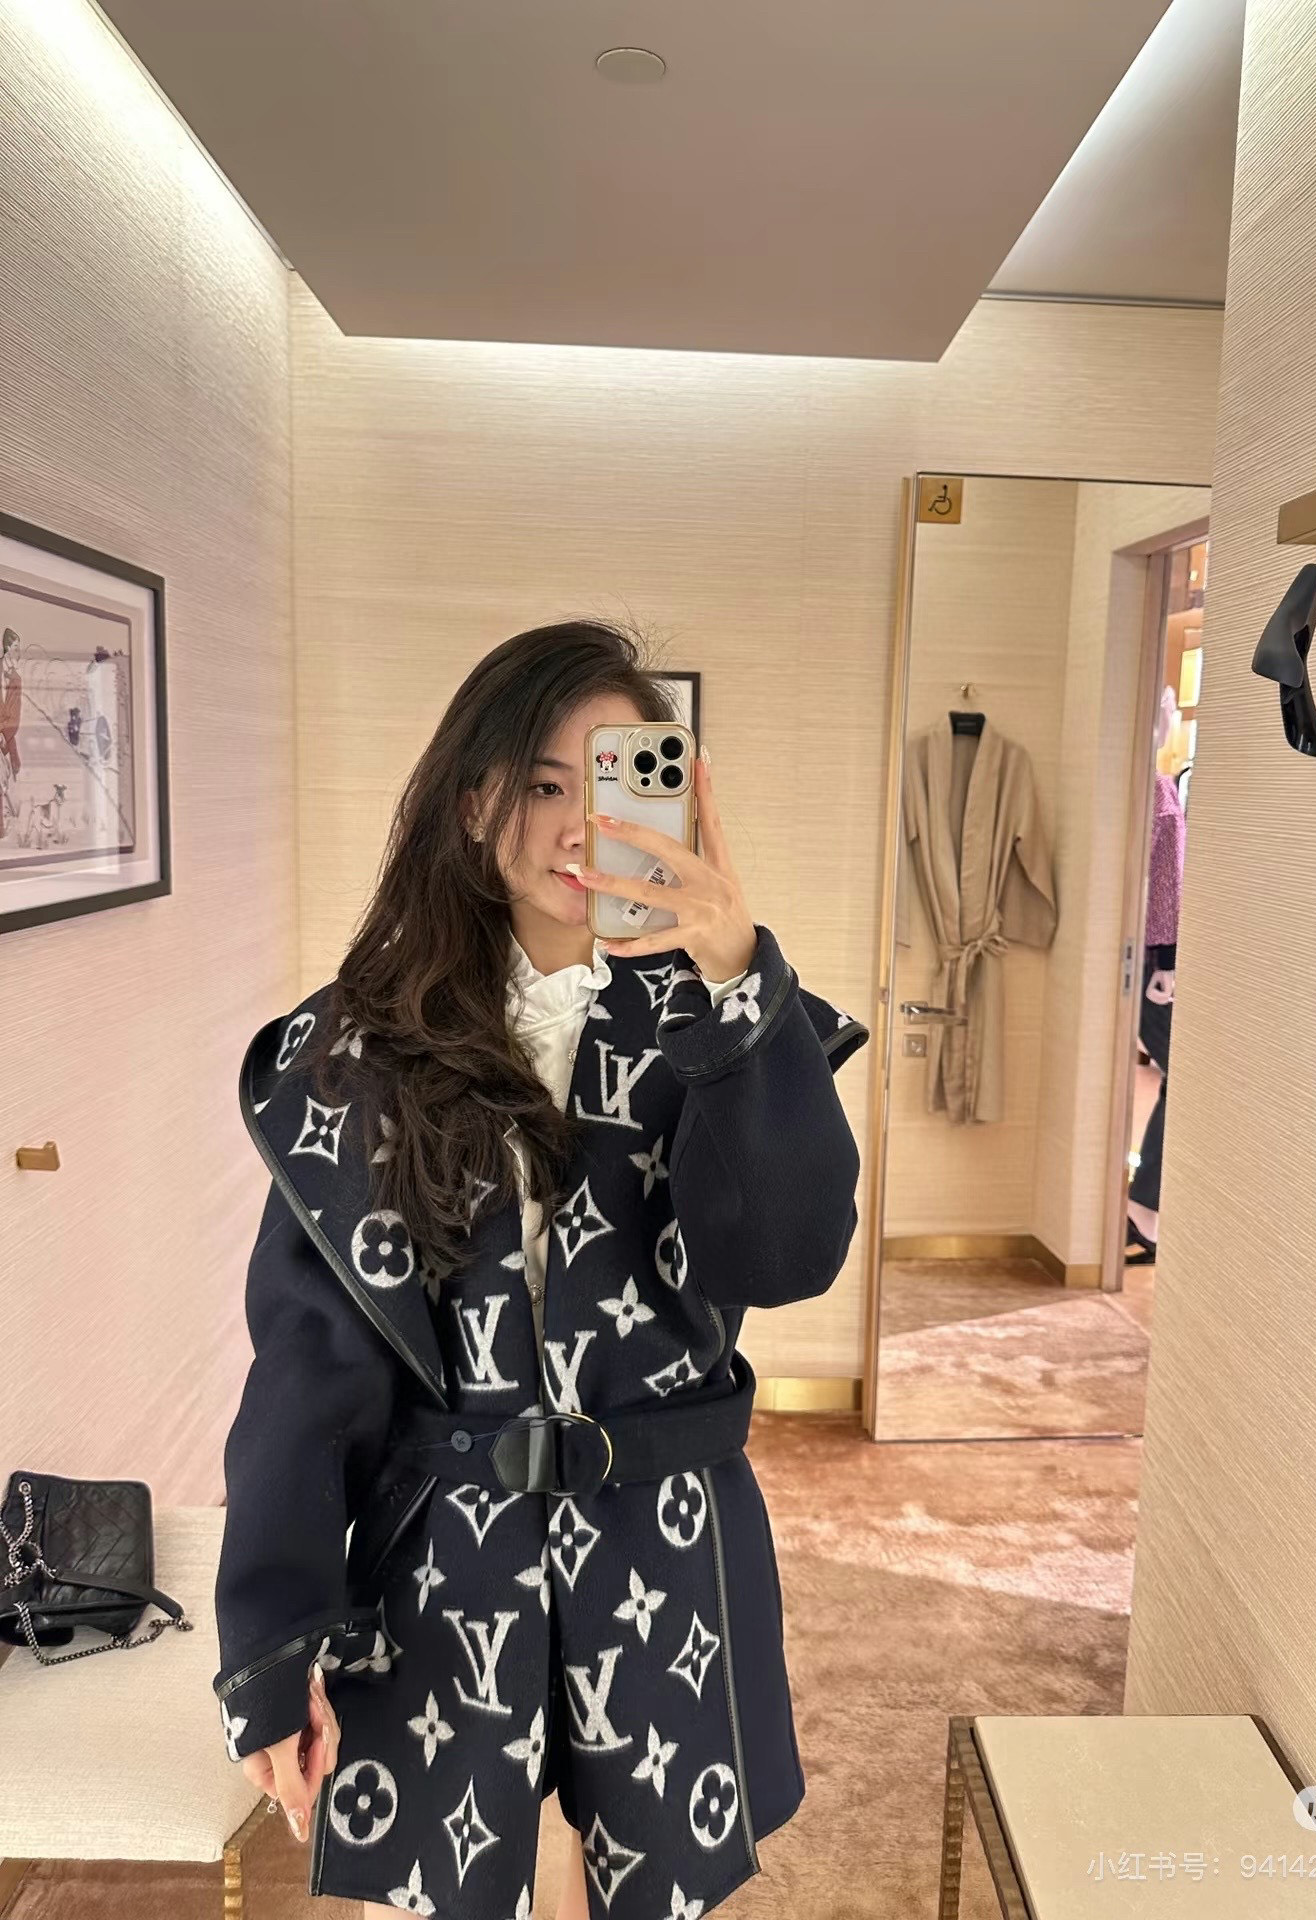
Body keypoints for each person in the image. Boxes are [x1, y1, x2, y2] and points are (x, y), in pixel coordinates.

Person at [211, 620, 869, 1920]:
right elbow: (307, 1366)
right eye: (544, 783)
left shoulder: (723, 1023)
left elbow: (788, 1256)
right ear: (474, 806)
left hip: (666, 1548)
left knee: (643, 1893)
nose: (581, 826)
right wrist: (274, 1639)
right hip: (441, 1565)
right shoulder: (363, 1051)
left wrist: (738, 983)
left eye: (617, 781)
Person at [1126, 768, 1186, 1266]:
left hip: (1133, 947)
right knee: (1186, 1077)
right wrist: (1167, 960)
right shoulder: (1158, 786)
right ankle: (1143, 1208)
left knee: (1178, 1076)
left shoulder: (1133, 781)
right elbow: (1165, 871)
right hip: (1148, 957)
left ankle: (1144, 1205)